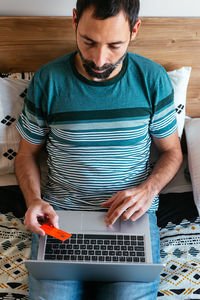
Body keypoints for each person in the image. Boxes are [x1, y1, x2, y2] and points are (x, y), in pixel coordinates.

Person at [15, 0, 183, 299]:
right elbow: (27, 153)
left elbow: (172, 152)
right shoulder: (49, 80)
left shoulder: (152, 79)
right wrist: (34, 201)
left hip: (132, 218)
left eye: (115, 45)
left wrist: (148, 191)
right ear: (75, 22)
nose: (99, 59)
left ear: (135, 30)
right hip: (61, 216)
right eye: (88, 42)